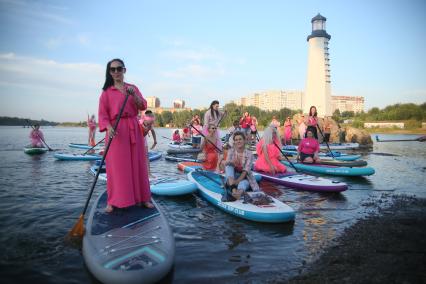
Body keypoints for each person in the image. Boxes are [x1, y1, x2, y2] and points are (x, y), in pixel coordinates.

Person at [98, 58, 153, 213]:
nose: (116, 72)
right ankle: (113, 201)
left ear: (124, 70)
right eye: (113, 69)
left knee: (138, 164)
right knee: (117, 167)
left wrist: (134, 95)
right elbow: (102, 115)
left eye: (119, 68)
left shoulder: (132, 88)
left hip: (133, 128)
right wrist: (109, 127)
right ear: (109, 72)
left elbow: (142, 105)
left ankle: (143, 198)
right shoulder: (107, 93)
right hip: (115, 132)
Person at [224, 131, 260, 200]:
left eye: (240, 139)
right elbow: (226, 163)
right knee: (229, 166)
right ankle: (234, 190)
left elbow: (246, 171)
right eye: (236, 140)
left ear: (244, 140)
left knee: (243, 184)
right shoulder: (231, 151)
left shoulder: (249, 154)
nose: (238, 141)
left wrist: (237, 182)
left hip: (245, 178)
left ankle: (238, 193)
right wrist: (233, 162)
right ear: (234, 142)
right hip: (232, 178)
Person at [138, 110, 157, 178]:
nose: (149, 125)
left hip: (143, 139)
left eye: (151, 123)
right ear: (145, 120)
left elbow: (153, 132)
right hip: (137, 139)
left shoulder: (150, 124)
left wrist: (155, 141)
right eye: (149, 123)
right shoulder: (139, 123)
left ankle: (148, 173)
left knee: (146, 156)